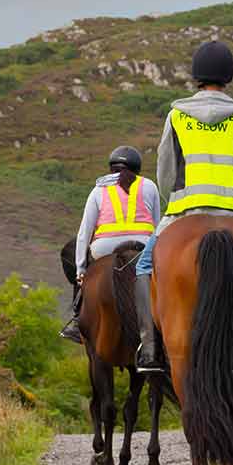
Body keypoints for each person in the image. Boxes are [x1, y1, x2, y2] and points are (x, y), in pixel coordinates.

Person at [134, 40, 233, 370]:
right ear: (228, 76)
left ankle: (148, 346)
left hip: (185, 210)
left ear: (196, 77)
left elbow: (165, 171)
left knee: (144, 266)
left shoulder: (176, 117)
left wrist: (175, 201)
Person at [60, 146, 161, 344]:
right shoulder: (149, 186)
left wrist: (81, 270)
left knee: (86, 275)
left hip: (104, 247)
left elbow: (84, 233)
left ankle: (76, 320)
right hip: (142, 244)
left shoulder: (99, 188)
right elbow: (157, 225)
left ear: (111, 168)